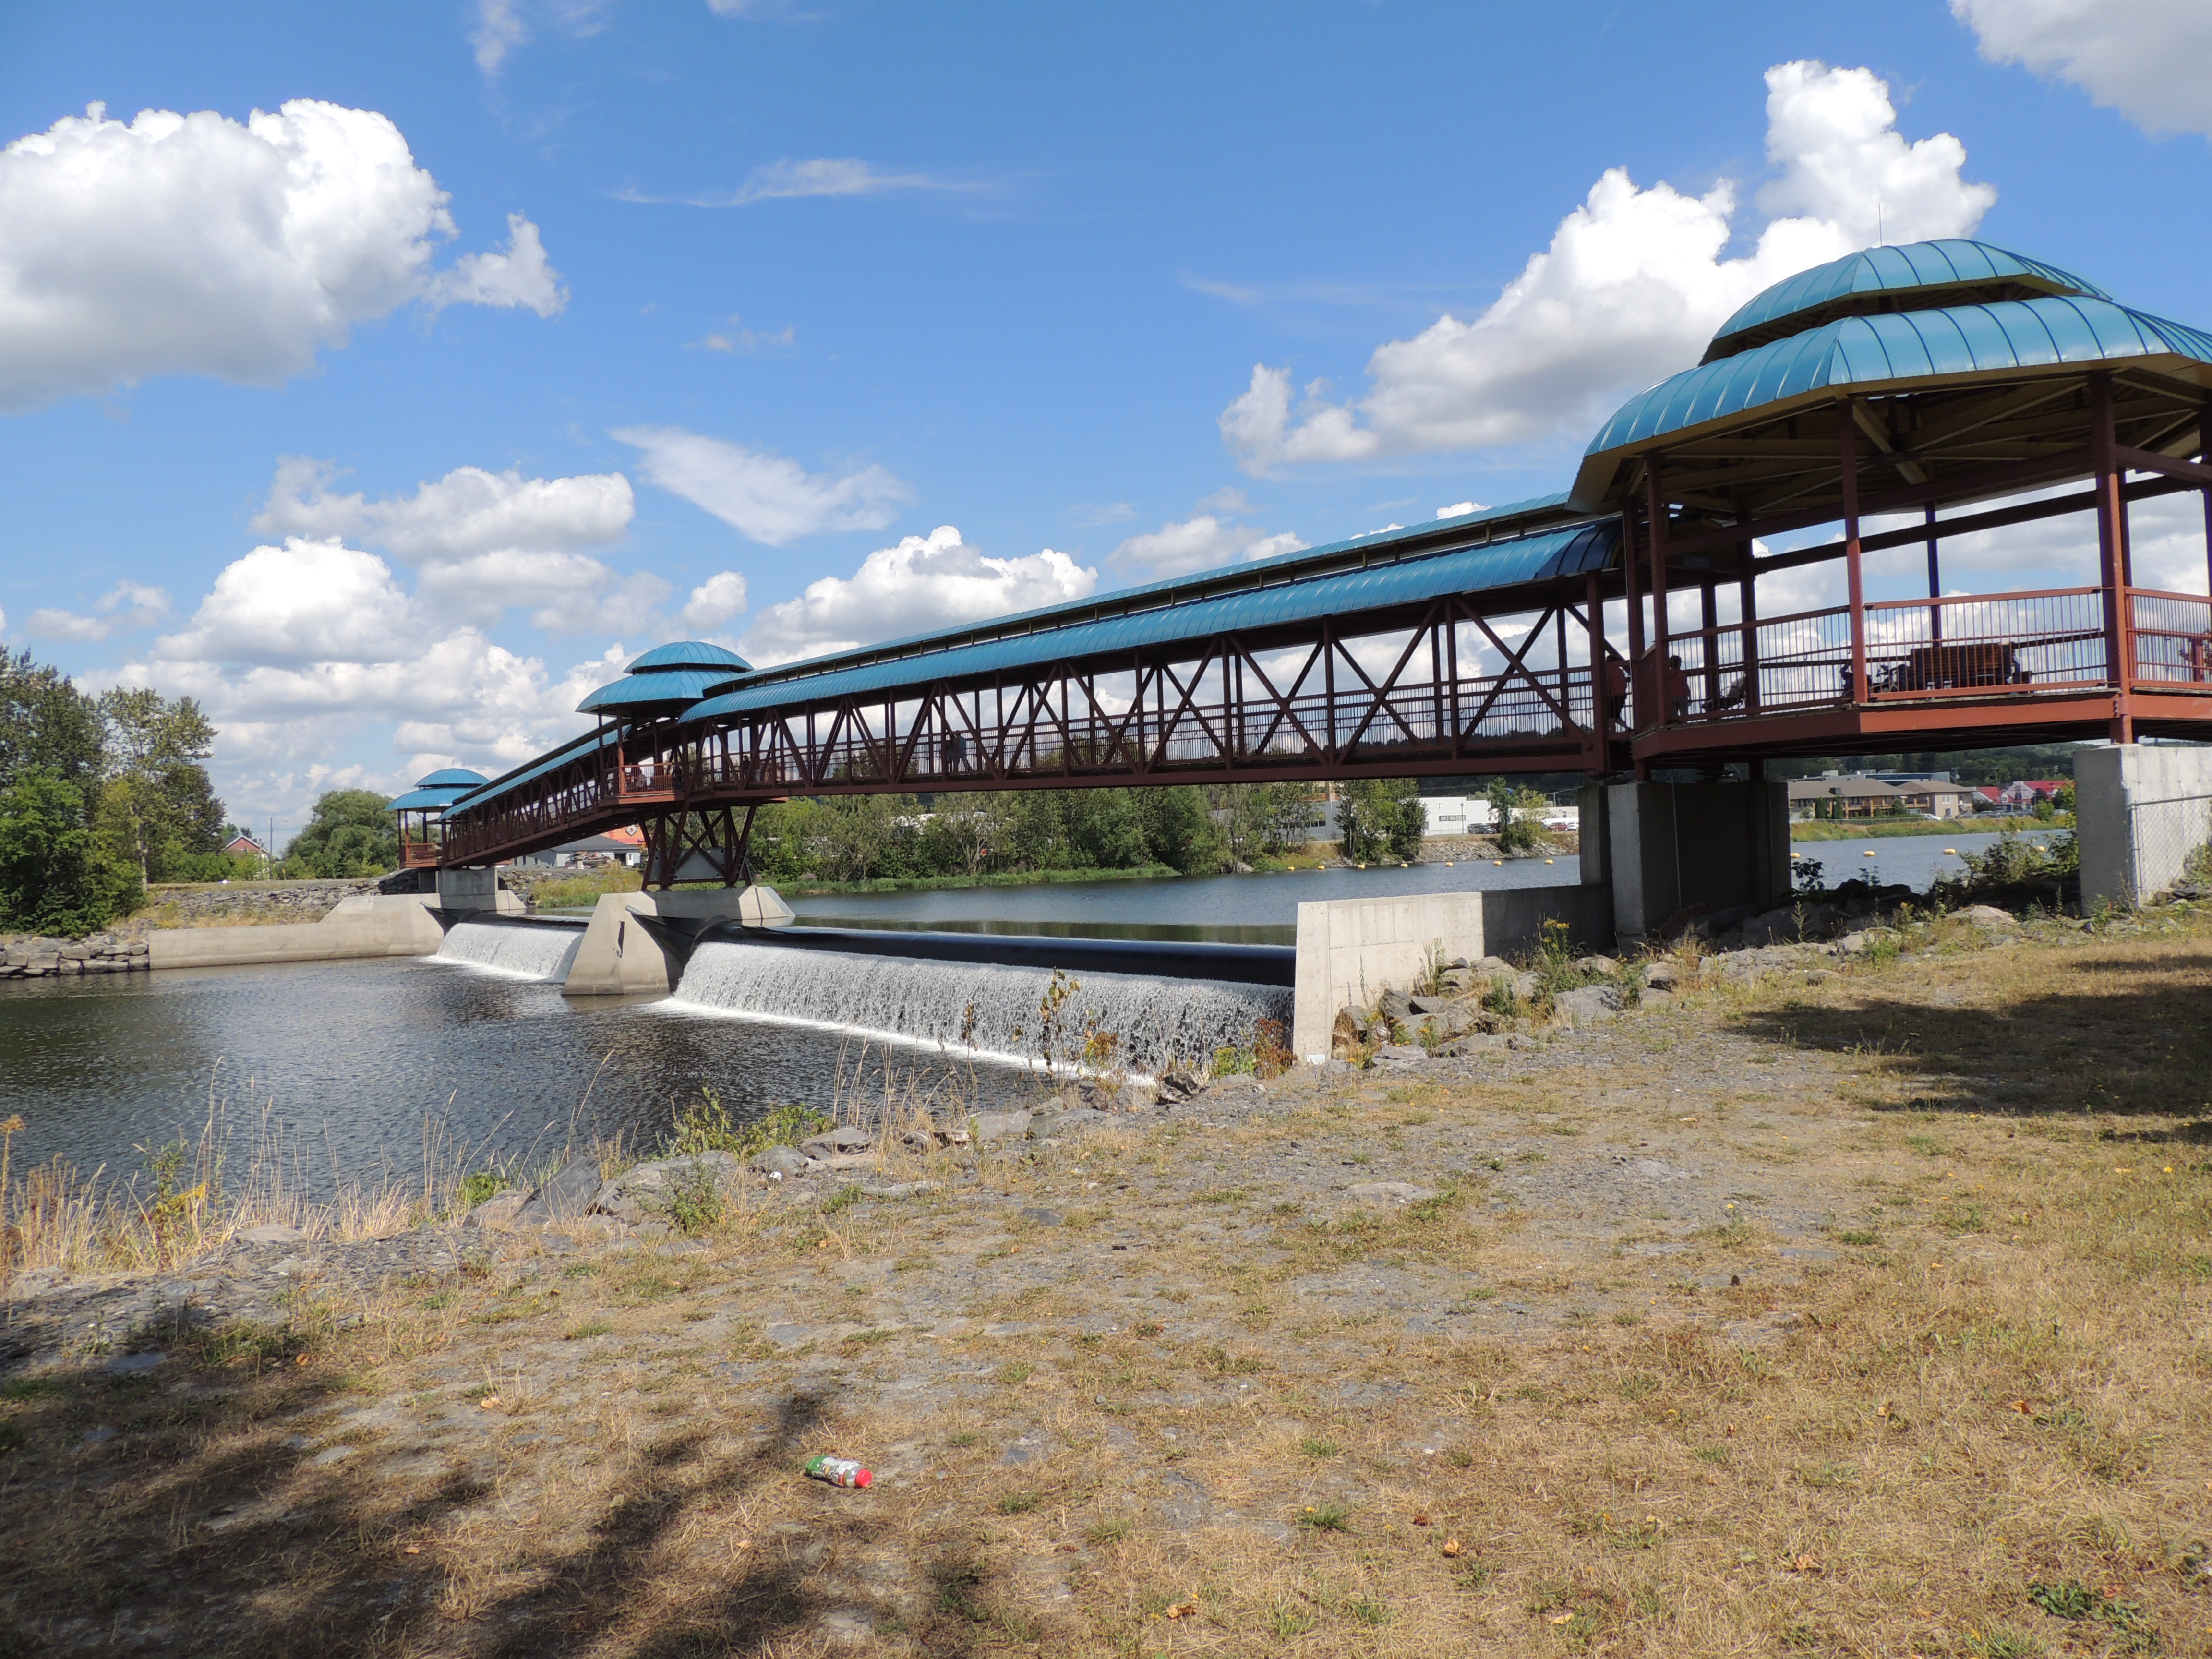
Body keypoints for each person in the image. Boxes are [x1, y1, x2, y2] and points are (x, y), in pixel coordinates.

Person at [1601, 655, 1628, 726]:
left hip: (1613, 696)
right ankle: (1627, 728)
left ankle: (1613, 733)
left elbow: (1609, 683)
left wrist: (1607, 694)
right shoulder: (1621, 671)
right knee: (1615, 716)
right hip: (1622, 695)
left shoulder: (1608, 671)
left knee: (1611, 716)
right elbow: (1625, 685)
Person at [1666, 655, 1692, 721]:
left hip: (1671, 697)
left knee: (1674, 715)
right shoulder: (1682, 674)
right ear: (1678, 664)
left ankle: (1675, 726)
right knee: (1684, 714)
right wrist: (1689, 696)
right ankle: (1685, 725)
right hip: (1682, 696)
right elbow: (1685, 685)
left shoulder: (1668, 674)